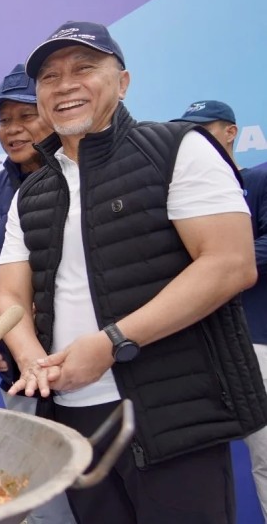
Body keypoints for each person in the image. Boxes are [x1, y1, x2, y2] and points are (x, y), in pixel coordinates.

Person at [0, 21, 267, 523]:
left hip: (172, 413)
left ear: (122, 82)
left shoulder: (176, 148)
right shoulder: (30, 192)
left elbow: (229, 264)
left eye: (84, 68)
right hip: (73, 422)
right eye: (49, 76)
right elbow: (11, 293)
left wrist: (111, 343)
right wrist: (32, 358)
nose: (65, 84)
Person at [0, 63, 74, 524]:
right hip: (21, 377)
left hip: (92, 368)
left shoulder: (83, 177)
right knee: (42, 498)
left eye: (25, 115)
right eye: (4, 120)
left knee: (108, 494)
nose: (13, 130)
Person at [171, 99, 267, 520]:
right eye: (187, 130)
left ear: (231, 132)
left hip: (258, 338)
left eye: (204, 128)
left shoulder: (259, 180)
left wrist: (214, 259)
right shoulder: (174, 189)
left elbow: (245, 256)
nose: (195, 139)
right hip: (199, 345)